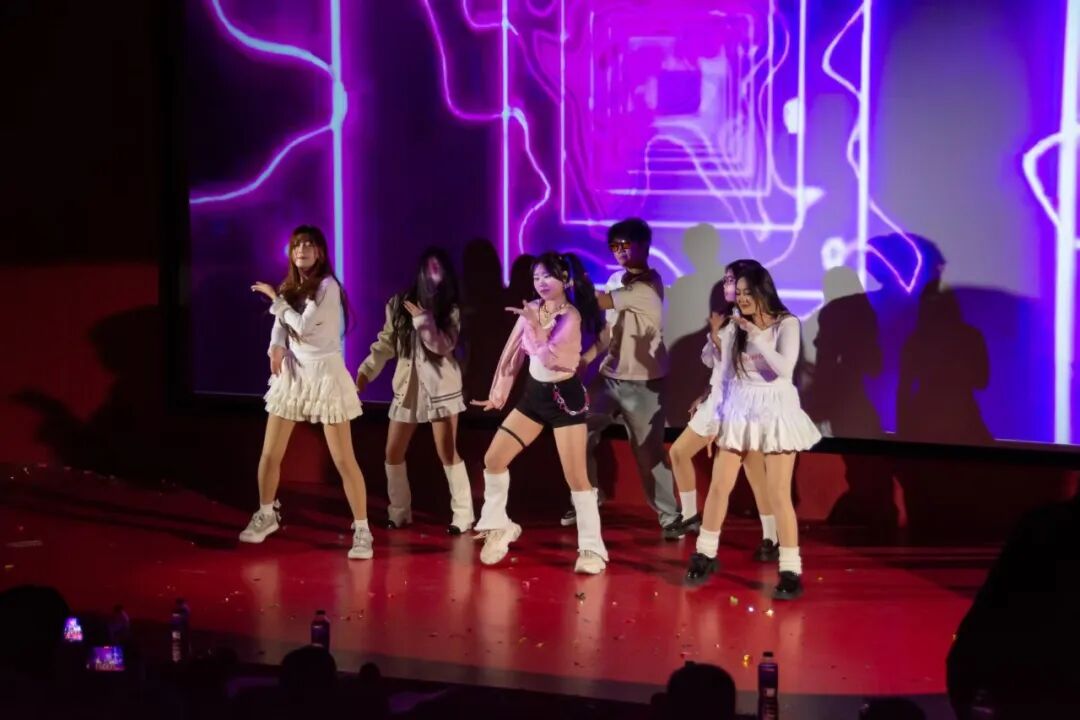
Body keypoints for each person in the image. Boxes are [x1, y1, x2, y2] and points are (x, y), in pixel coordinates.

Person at [685, 265, 820, 598]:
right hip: (739, 407)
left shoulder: (786, 323)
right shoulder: (735, 326)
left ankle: (790, 569)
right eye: (739, 293)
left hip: (776, 409)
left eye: (748, 293)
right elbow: (725, 376)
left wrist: (758, 337)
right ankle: (705, 553)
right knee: (720, 485)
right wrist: (715, 420)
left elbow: (782, 370)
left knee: (778, 493)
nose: (742, 299)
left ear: (763, 291)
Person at [470, 252, 609, 573]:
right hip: (534, 397)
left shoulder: (571, 316)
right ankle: (499, 525)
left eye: (548, 276)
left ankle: (592, 549)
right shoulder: (532, 308)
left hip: (565, 400)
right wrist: (498, 395)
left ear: (565, 280)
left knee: (577, 478)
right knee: (493, 460)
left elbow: (551, 359)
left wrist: (536, 328)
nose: (541, 283)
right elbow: (513, 353)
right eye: (536, 277)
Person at [244, 225, 372, 559]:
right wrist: (275, 347)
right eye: (296, 245)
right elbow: (280, 329)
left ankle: (362, 531)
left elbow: (300, 326)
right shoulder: (290, 286)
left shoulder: (328, 287)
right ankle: (266, 514)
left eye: (308, 245)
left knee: (343, 459)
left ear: (319, 252)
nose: (301, 249)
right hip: (294, 374)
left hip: (325, 375)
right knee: (270, 453)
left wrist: (274, 299)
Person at [573, 218, 681, 537]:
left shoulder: (648, 286)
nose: (619, 251)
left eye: (625, 244)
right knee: (577, 432)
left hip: (645, 383)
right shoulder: (616, 280)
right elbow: (609, 331)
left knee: (648, 453)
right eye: (614, 246)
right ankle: (589, 497)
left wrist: (571, 278)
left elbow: (598, 301)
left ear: (644, 246)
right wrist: (586, 358)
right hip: (609, 376)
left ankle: (670, 516)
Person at [355, 248, 473, 534]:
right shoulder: (399, 304)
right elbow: (386, 343)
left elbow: (442, 346)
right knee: (392, 452)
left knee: (447, 452)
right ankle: (399, 511)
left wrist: (424, 321)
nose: (432, 273)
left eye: (438, 268)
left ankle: (463, 514)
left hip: (441, 389)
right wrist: (366, 371)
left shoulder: (450, 308)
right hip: (407, 388)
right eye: (428, 267)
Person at [667, 259, 779, 561]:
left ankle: (772, 537)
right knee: (678, 452)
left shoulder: (760, 324)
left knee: (754, 472)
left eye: (734, 281)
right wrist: (705, 394)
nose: (731, 287)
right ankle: (690, 516)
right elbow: (719, 368)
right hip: (717, 401)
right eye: (728, 281)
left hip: (743, 408)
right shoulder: (728, 320)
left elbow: (756, 371)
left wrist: (719, 339)